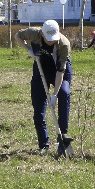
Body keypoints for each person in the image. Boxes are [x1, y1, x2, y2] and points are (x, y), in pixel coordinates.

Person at [16, 19, 73, 155]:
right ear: (42, 34)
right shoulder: (33, 33)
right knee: (38, 105)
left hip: (59, 69)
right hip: (41, 67)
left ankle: (63, 135)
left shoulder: (64, 44)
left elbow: (60, 72)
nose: (51, 41)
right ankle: (44, 144)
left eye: (53, 39)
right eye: (48, 39)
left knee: (64, 93)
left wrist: (54, 95)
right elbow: (17, 36)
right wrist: (28, 50)